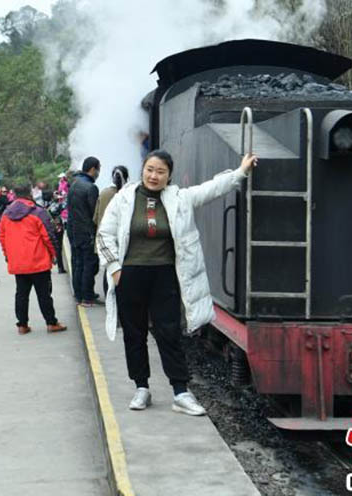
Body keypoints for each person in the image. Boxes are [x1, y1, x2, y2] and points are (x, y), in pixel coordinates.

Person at [97, 150, 258, 415]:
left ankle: (180, 392)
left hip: (165, 275)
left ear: (169, 175)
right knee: (134, 334)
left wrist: (241, 172)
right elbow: (104, 235)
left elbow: (211, 189)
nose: (154, 176)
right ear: (142, 170)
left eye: (161, 171)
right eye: (150, 169)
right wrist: (115, 269)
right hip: (130, 276)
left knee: (169, 333)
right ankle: (141, 387)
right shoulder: (124, 198)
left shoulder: (179, 198)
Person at [0, 185, 68, 335]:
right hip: (38, 260)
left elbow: (2, 237)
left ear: (15, 195)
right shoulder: (38, 212)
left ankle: (22, 325)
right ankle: (51, 322)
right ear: (30, 194)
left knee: (21, 294)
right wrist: (54, 254)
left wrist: (8, 255)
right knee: (44, 294)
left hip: (18, 262)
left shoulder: (6, 214)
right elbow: (48, 236)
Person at [67, 156, 101, 306]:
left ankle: (79, 294)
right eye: (98, 169)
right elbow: (95, 212)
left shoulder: (74, 183)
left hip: (73, 230)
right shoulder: (91, 188)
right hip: (87, 232)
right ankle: (88, 296)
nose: (99, 173)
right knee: (89, 264)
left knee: (78, 262)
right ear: (93, 169)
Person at [94, 165, 130, 294]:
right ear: (127, 177)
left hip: (105, 238)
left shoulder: (104, 193)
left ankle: (108, 295)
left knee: (109, 267)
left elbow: (95, 218)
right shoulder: (129, 195)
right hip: (123, 239)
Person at [47, 191, 67, 273]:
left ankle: (50, 266)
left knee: (52, 247)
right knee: (58, 248)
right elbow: (65, 204)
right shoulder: (58, 205)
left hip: (50, 227)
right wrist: (64, 197)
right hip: (58, 227)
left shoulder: (48, 205)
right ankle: (60, 267)